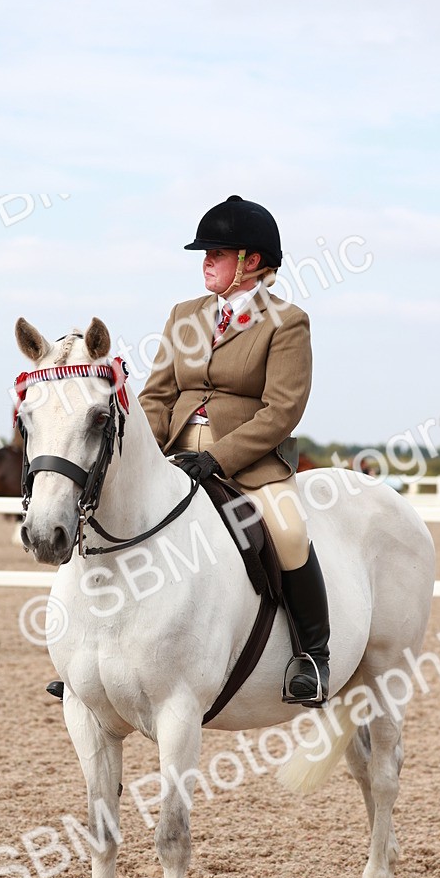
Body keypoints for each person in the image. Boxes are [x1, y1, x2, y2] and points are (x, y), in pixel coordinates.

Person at [138, 195, 330, 704]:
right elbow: (156, 395)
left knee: (289, 533)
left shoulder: (287, 322)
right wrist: (144, 455)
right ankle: (90, 659)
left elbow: (282, 410)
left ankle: (313, 656)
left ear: (252, 262)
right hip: (176, 452)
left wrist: (218, 459)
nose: (206, 261)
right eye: (205, 253)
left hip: (250, 462)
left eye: (217, 253)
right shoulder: (184, 315)